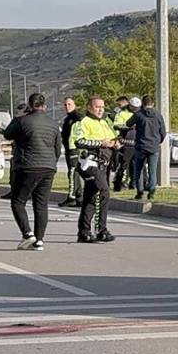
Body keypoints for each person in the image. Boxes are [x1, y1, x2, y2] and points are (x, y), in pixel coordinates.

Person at [0, 94, 61, 251]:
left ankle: (27, 233)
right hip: (48, 167)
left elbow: (8, 134)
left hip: (27, 166)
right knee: (41, 204)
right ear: (44, 106)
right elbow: (57, 148)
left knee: (18, 201)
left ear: (30, 105)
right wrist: (51, 162)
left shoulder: (22, 121)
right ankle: (39, 240)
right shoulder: (53, 124)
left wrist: (6, 125)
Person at [72, 96, 119, 244]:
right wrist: (100, 143)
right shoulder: (82, 122)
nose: (100, 110)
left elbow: (113, 139)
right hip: (89, 164)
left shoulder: (104, 123)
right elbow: (79, 141)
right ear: (89, 107)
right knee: (104, 191)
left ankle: (84, 232)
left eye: (102, 107)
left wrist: (116, 143)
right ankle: (101, 230)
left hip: (103, 164)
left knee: (91, 196)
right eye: (97, 107)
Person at [128, 95, 167, 201]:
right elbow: (163, 132)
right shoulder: (158, 115)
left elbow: (128, 123)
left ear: (142, 103)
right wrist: (158, 141)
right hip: (154, 147)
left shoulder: (139, 114)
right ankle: (151, 192)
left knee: (139, 170)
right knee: (152, 171)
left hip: (141, 146)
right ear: (153, 104)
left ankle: (140, 192)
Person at [0, 102, 31, 201]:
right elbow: (9, 133)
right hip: (17, 151)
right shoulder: (17, 121)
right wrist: (0, 129)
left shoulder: (26, 122)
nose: (17, 114)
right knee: (13, 173)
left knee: (22, 174)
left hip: (25, 153)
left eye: (18, 112)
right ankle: (14, 190)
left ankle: (23, 193)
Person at [59, 97, 85, 207]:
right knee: (74, 172)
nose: (67, 106)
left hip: (74, 149)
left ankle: (72, 197)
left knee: (73, 172)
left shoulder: (77, 117)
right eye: (65, 104)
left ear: (74, 105)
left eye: (69, 104)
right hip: (68, 148)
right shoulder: (67, 118)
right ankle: (79, 197)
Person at [112, 97, 139, 192]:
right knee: (123, 165)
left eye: (136, 107)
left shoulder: (139, 113)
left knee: (135, 165)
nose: (135, 109)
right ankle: (119, 184)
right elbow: (116, 125)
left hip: (137, 143)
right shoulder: (121, 113)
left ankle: (134, 184)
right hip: (126, 142)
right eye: (133, 107)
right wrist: (129, 126)